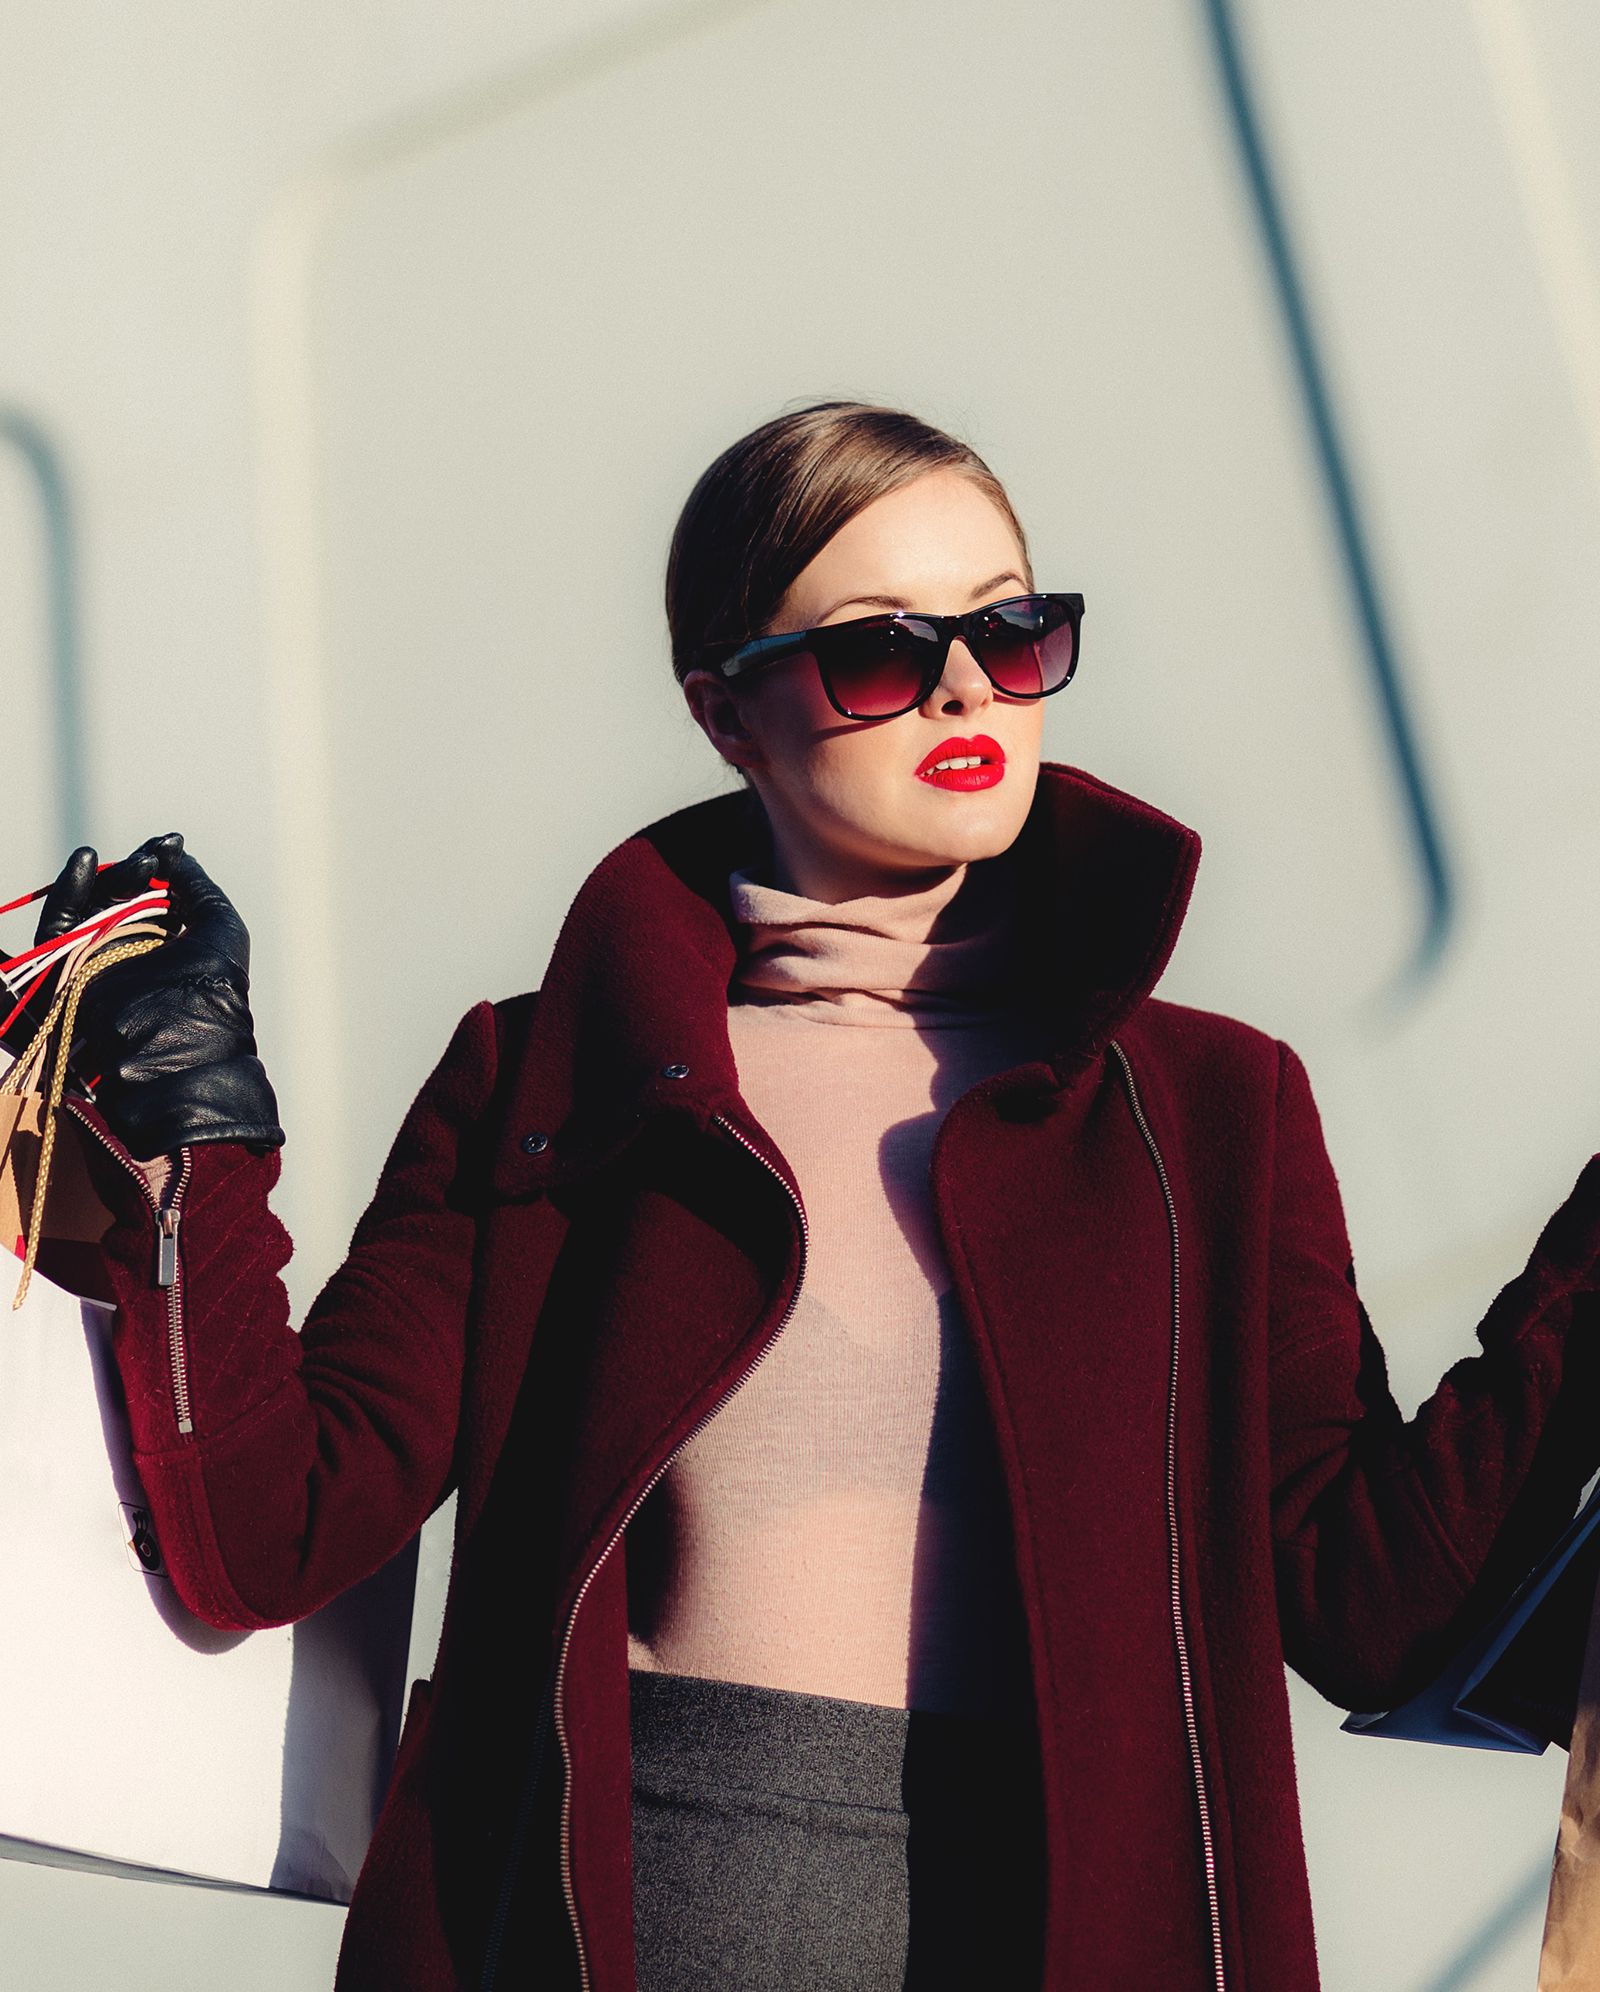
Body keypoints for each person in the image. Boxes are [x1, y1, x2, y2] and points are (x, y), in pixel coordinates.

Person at [36, 400, 1600, 1992]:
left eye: (1012, 629)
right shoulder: (552, 1080)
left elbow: (1375, 1603)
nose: (965, 689)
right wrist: (183, 1145)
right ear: (726, 714)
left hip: (1075, 1935)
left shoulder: (1211, 1108)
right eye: (877, 653)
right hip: (628, 1929)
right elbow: (270, 1531)